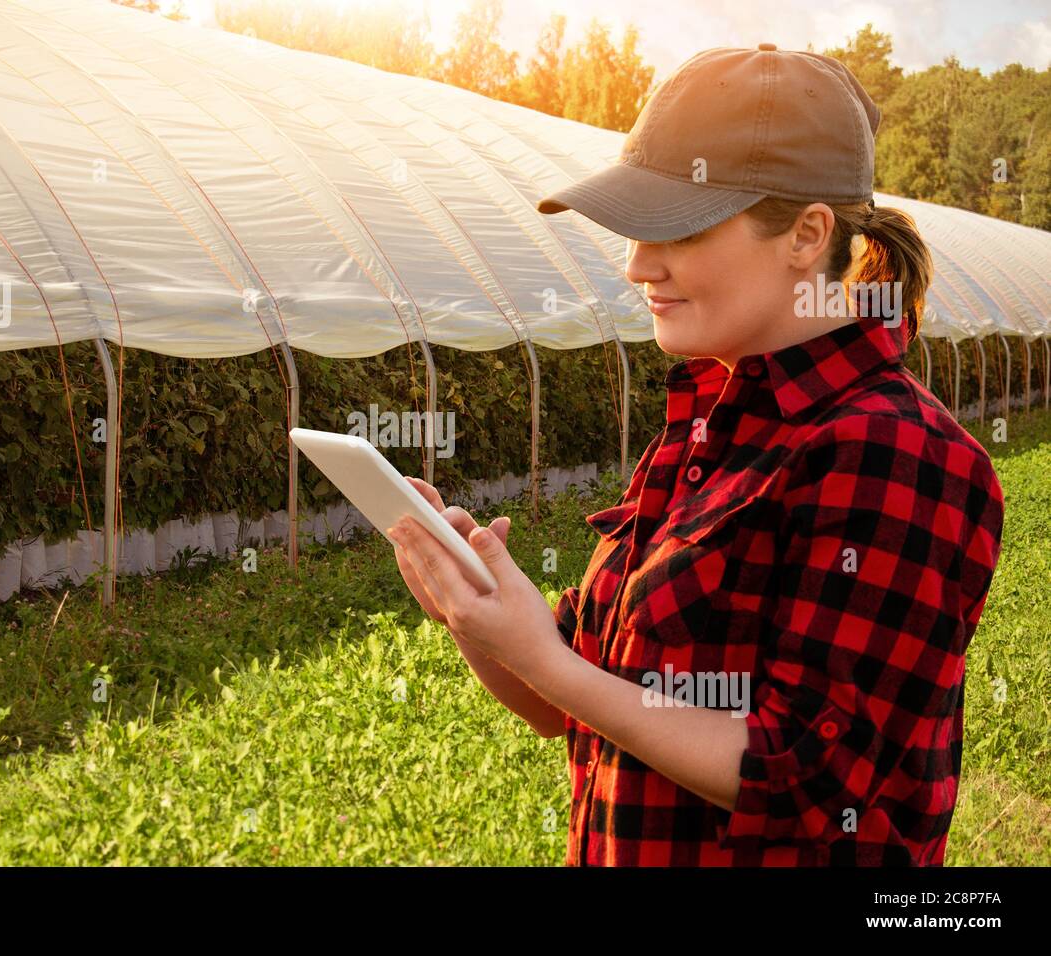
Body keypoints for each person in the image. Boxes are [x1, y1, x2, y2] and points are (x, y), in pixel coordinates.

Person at [386, 44, 1005, 866]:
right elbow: (570, 703)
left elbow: (812, 781)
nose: (637, 265)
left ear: (807, 235)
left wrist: (546, 661)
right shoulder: (709, 423)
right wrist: (473, 612)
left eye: (675, 227)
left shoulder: (898, 452)